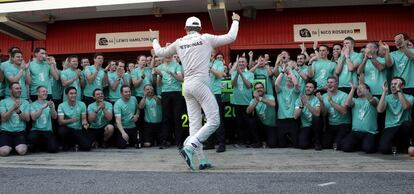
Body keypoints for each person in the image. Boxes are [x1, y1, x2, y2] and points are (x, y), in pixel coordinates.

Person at [150, 12, 240, 170]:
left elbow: (159, 53)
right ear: (200, 28)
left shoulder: (179, 42)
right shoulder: (205, 38)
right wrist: (235, 21)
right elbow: (231, 37)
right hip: (201, 84)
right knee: (214, 121)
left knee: (195, 124)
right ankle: (190, 146)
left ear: (185, 28)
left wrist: (154, 39)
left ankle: (202, 160)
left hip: (187, 87)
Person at [377, 77, 414, 154]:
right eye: (392, 84)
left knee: (408, 124)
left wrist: (399, 90)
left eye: (396, 84)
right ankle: (397, 147)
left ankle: (403, 146)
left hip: (402, 127)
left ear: (402, 86)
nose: (393, 86)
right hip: (390, 127)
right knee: (384, 149)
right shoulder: (387, 97)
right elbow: (380, 110)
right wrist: (384, 92)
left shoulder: (410, 97)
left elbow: (405, 106)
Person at [341, 83, 378, 153]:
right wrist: (353, 89)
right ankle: (359, 144)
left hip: (369, 132)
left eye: (361, 88)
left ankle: (364, 144)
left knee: (368, 149)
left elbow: (372, 101)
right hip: (355, 132)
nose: (359, 90)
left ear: (368, 90)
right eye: (358, 89)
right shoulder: (355, 100)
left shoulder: (374, 98)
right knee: (345, 147)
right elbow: (347, 104)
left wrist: (365, 91)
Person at [317, 76, 351, 150]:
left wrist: (331, 101)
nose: (329, 84)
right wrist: (321, 102)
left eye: (331, 82)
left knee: (337, 146)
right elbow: (324, 114)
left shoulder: (344, 95)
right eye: (328, 82)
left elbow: (344, 111)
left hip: (343, 124)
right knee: (324, 145)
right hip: (331, 125)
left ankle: (339, 141)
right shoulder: (324, 96)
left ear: (337, 84)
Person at [0, 82, 30, 156]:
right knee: (4, 152)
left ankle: (15, 146)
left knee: (22, 151)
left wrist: (19, 111)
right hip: (6, 131)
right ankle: (9, 146)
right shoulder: (3, 102)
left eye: (20, 88)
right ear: (10, 90)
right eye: (16, 88)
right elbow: (3, 119)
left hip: (20, 131)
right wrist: (13, 108)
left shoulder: (25, 102)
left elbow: (27, 119)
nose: (19, 90)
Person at [57, 87, 91, 151]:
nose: (74, 95)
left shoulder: (82, 104)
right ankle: (66, 144)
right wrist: (72, 120)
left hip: (78, 129)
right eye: (71, 93)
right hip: (68, 129)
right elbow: (60, 122)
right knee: (61, 131)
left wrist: (85, 124)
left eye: (75, 93)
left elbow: (83, 119)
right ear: (66, 95)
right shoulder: (61, 105)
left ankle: (75, 145)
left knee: (87, 147)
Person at [274, 65, 300, 147]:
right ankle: (288, 138)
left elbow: (296, 84)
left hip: (293, 120)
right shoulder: (281, 89)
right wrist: (282, 71)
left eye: (291, 78)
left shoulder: (295, 91)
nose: (289, 79)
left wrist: (290, 72)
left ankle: (291, 138)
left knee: (296, 145)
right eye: (287, 78)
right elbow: (276, 84)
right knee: (281, 145)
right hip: (282, 119)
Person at [28, 86, 59, 153]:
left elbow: (55, 117)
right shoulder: (32, 105)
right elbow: (33, 118)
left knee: (53, 149)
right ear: (38, 93)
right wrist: (42, 108)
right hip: (36, 130)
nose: (45, 93)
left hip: (47, 130)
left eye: (46, 91)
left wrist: (52, 108)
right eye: (43, 91)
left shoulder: (51, 103)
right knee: (32, 139)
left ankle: (45, 146)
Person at [246, 82, 277, 148]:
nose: (259, 89)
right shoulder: (253, 100)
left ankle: (265, 141)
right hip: (261, 125)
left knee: (273, 145)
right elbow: (248, 111)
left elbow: (273, 104)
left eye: (261, 88)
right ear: (254, 90)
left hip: (270, 125)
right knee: (251, 121)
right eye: (257, 88)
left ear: (264, 89)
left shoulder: (270, 96)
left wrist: (260, 99)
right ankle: (258, 142)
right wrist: (256, 101)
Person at [294, 80, 322, 150]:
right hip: (305, 126)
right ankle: (311, 140)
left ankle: (317, 142)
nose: (308, 89)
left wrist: (306, 103)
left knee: (316, 118)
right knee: (303, 146)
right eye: (306, 87)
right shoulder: (299, 99)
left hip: (316, 126)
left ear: (314, 89)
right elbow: (295, 116)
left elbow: (317, 113)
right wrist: (301, 105)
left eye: (310, 87)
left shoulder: (316, 99)